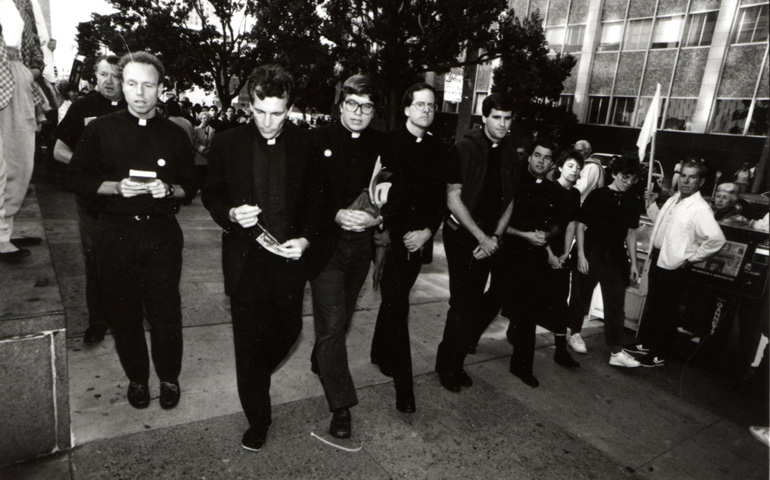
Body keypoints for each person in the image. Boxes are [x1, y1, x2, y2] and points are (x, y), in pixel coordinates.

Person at [65, 51, 195, 410]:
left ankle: (169, 377)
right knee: (123, 312)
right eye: (132, 83)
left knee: (165, 311)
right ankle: (138, 378)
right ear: (122, 85)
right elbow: (75, 177)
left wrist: (169, 190)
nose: (140, 93)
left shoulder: (175, 133)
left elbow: (191, 187)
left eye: (148, 85)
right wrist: (114, 187)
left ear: (161, 88)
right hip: (114, 232)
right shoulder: (99, 130)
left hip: (161, 236)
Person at [202, 64, 321, 452]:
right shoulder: (226, 143)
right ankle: (258, 416)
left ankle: (253, 377)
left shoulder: (306, 143)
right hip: (245, 262)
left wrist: (305, 240)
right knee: (247, 344)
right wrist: (231, 214)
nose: (268, 122)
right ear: (248, 103)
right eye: (260, 111)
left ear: (290, 107)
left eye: (278, 113)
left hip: (288, 258)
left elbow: (316, 202)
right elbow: (212, 195)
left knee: (290, 332)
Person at [309, 74, 385, 439]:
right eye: (352, 104)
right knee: (334, 321)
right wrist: (335, 214)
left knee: (341, 317)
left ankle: (321, 355)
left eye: (367, 106)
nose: (358, 112)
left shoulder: (383, 147)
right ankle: (341, 405)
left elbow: (392, 192)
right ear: (341, 104)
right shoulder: (317, 140)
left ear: (374, 111)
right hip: (327, 246)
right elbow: (304, 198)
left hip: (361, 248)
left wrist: (379, 216)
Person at [369, 83, 446, 413]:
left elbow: (440, 200)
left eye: (431, 106)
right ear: (406, 109)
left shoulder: (440, 148)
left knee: (394, 301)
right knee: (398, 305)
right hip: (388, 242)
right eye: (420, 105)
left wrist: (428, 231)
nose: (426, 111)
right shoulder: (387, 143)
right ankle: (404, 388)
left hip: (418, 242)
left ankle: (378, 352)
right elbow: (375, 191)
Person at [436, 93, 517, 393]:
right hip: (462, 236)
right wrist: (481, 237)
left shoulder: (511, 154)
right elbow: (453, 198)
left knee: (472, 305)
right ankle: (448, 365)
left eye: (507, 118)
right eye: (496, 117)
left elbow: (510, 201)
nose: (502, 124)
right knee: (462, 303)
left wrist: (495, 237)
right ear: (484, 117)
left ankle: (455, 362)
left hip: (490, 239)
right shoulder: (464, 148)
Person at [53, 55, 126, 344]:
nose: (109, 81)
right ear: (95, 76)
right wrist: (88, 171)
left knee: (128, 261)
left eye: (116, 75)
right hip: (92, 203)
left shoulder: (133, 108)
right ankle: (97, 322)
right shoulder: (83, 108)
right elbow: (59, 150)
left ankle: (127, 316)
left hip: (126, 202)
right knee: (94, 260)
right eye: (104, 74)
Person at [636, 160, 725, 366]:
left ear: (701, 181)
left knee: (667, 310)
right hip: (659, 258)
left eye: (692, 177)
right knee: (655, 305)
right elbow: (662, 223)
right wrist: (650, 205)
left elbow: (716, 239)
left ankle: (660, 353)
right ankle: (646, 344)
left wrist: (692, 258)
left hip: (676, 266)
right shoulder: (675, 199)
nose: (685, 181)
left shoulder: (700, 208)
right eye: (683, 175)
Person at [504, 139, 577, 388]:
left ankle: (522, 366)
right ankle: (467, 340)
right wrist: (524, 235)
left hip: (534, 259)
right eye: (537, 155)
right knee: (493, 299)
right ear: (529, 156)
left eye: (546, 158)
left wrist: (547, 236)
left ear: (552, 163)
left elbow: (558, 224)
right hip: (507, 253)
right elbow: (499, 222)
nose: (540, 161)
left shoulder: (553, 191)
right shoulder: (514, 182)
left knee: (528, 312)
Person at [568, 154, 643, 368]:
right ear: (614, 174)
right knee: (581, 296)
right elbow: (580, 226)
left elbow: (630, 232)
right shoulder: (598, 195)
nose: (628, 182)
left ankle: (616, 351)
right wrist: (581, 255)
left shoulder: (632, 199)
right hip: (592, 252)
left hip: (616, 257)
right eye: (624, 177)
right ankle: (574, 333)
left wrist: (634, 263)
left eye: (632, 179)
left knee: (616, 303)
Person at [0, 0, 45, 264]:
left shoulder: (23, 2)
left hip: (15, 73)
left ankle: (5, 232)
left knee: (20, 160)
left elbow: (35, 46)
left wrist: (28, 72)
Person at [547, 150, 584, 364]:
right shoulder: (549, 189)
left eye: (578, 168)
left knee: (561, 301)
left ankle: (560, 350)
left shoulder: (575, 194)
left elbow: (571, 223)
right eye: (571, 166)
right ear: (560, 167)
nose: (575, 171)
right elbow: (539, 227)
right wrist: (550, 254)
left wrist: (565, 252)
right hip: (540, 248)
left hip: (560, 253)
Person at [191, 110, 215, 200]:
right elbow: (194, 142)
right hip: (198, 154)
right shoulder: (196, 130)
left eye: (207, 118)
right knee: (198, 172)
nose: (205, 120)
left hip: (207, 155)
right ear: (201, 118)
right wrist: (202, 149)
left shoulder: (212, 130)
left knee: (205, 173)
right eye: (203, 118)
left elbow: (212, 142)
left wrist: (208, 150)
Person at [573, 139, 604, 204]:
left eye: (580, 151)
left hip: (585, 204)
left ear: (587, 151)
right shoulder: (584, 164)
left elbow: (581, 188)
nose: (577, 153)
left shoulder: (591, 166)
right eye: (575, 151)